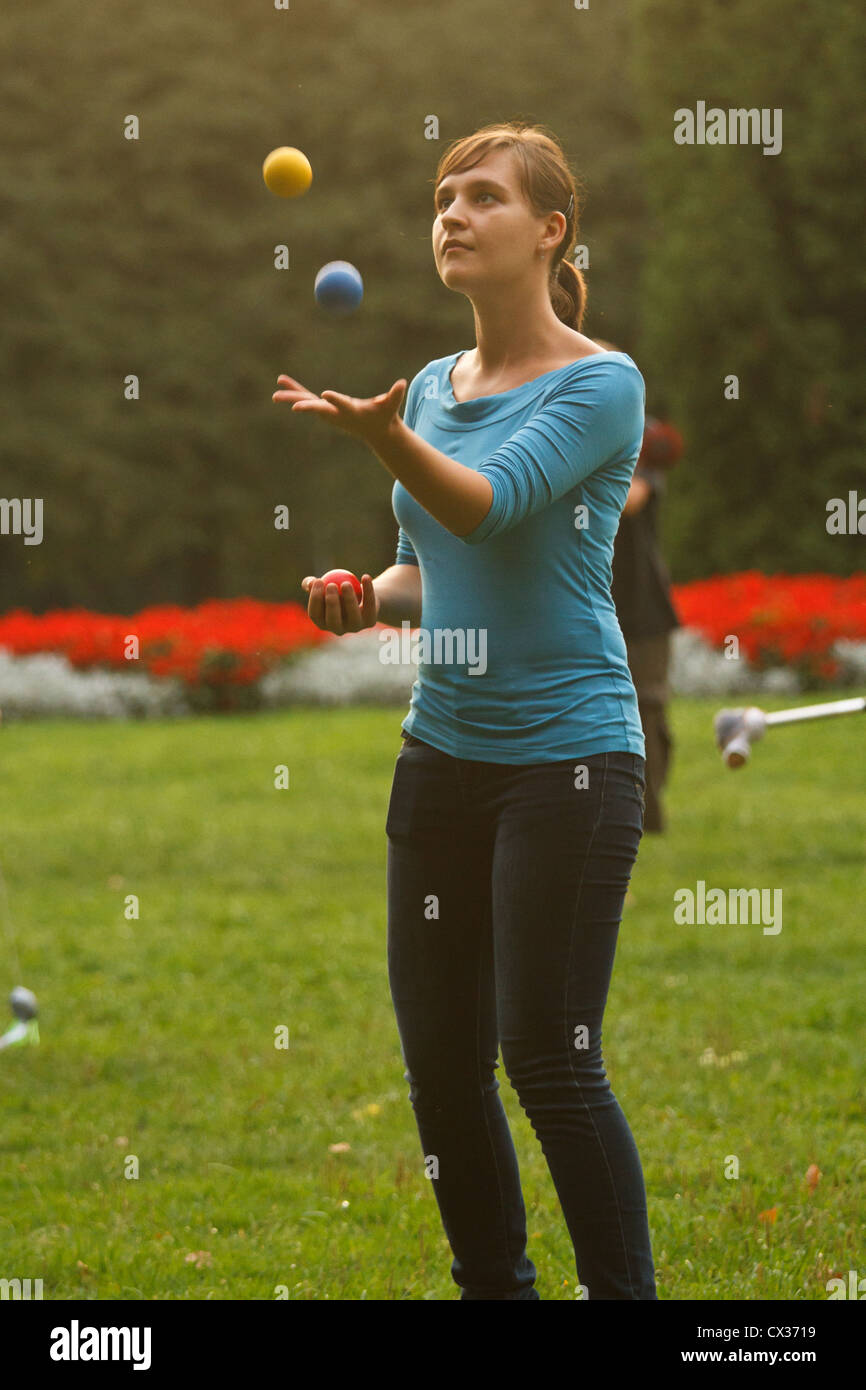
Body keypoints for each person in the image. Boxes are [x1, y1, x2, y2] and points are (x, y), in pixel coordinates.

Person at [274, 121, 657, 1300]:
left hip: (571, 761)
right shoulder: (435, 385)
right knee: (441, 1067)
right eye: (443, 194)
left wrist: (386, 437)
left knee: (547, 1055)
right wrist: (361, 594)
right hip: (441, 754)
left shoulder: (600, 383)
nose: (451, 212)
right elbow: (429, 563)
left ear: (549, 231)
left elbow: (493, 508)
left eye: (482, 196)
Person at [594, 341, 683, 834]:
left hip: (645, 607)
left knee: (648, 707)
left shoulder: (638, 457)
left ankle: (649, 812)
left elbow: (627, 503)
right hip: (595, 603)